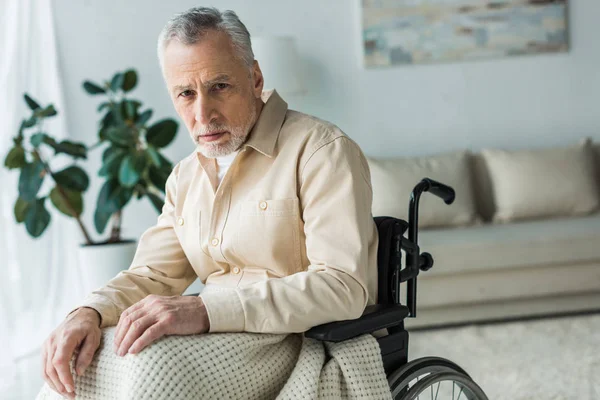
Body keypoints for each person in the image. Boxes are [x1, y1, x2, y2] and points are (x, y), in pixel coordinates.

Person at [41, 7, 378, 399]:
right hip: (214, 338)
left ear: (254, 78)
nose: (203, 114)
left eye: (219, 86)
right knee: (85, 362)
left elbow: (343, 287)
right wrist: (90, 312)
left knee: (155, 370)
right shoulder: (185, 176)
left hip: (294, 338)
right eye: (185, 93)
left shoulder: (321, 151)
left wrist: (204, 311)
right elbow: (153, 275)